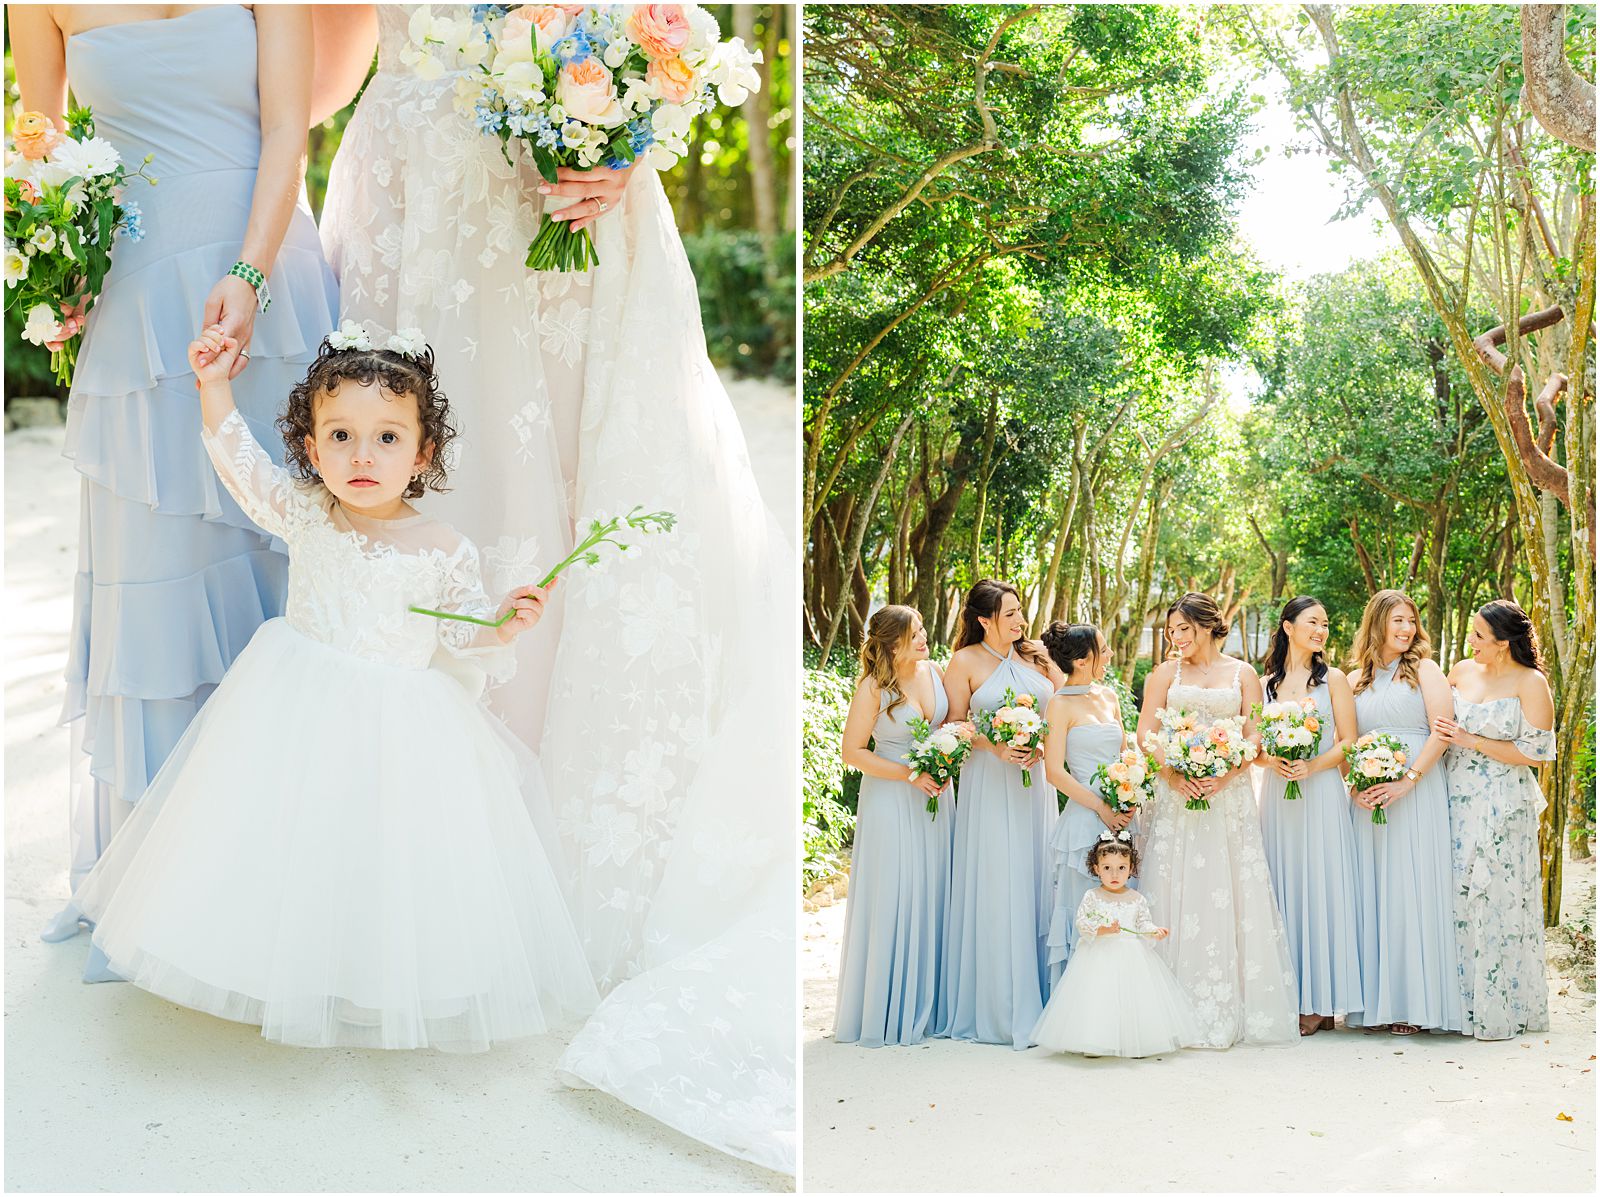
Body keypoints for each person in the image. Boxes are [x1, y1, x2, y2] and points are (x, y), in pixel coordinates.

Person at [311, 8, 794, 1168]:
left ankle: (552, 852)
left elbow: (660, 34)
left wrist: (629, 135)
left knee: (574, 485)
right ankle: (431, 856)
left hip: (575, 194)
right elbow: (321, 64)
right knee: (424, 476)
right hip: (416, 189)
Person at [72, 325, 597, 1050]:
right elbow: (242, 466)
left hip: (403, 723)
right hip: (297, 705)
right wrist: (212, 384)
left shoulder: (445, 548)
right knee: (291, 841)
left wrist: (503, 625)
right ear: (313, 450)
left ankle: (368, 976)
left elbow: (458, 634)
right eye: (341, 435)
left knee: (381, 852)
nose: (362, 455)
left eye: (387, 438)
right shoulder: (307, 512)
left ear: (422, 454)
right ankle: (286, 967)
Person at [12, 4, 339, 979]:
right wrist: (48, 260)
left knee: (282, 554)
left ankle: (291, 871)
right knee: (153, 568)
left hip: (268, 272)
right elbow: (38, 140)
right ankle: (149, 878)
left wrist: (249, 269)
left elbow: (288, 126)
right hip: (136, 289)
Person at [1136, 592, 1298, 1048]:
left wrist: (1226, 775)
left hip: (1228, 798)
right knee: (1174, 887)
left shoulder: (1243, 673)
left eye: (1182, 629)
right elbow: (1146, 730)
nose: (1176, 638)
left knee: (1228, 891)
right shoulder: (1164, 675)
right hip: (1176, 795)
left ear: (1206, 626)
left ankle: (1229, 1008)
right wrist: (1171, 772)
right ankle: (1168, 1008)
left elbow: (1255, 734)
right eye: (1170, 632)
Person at [939, 579, 1059, 1048]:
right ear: (984, 619)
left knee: (1033, 874)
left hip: (1034, 785)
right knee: (996, 878)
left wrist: (1041, 742)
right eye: (1009, 613)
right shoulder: (965, 661)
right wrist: (996, 743)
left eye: (1019, 611)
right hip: (989, 783)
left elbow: (1065, 706)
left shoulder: (1035, 657)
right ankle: (996, 1002)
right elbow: (954, 723)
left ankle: (1041, 996)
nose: (1019, 620)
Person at [834, 607, 957, 1047]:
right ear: (891, 643)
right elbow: (853, 751)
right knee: (897, 893)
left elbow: (952, 728)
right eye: (914, 633)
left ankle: (931, 1003)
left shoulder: (936, 670)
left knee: (932, 891)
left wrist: (948, 755)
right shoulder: (874, 688)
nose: (924, 638)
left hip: (937, 799)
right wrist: (910, 774)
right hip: (892, 798)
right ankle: (888, 1009)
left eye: (923, 629)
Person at [1434, 599, 1556, 1040]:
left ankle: (1499, 1006)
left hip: (1504, 801)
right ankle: (1453, 1006)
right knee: (1457, 896)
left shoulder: (1531, 682)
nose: (1471, 642)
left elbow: (1535, 754)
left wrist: (1469, 738)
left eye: (1479, 636)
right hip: (1453, 796)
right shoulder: (1461, 671)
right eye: (1471, 633)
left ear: (1504, 643)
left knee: (1497, 897)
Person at [1345, 589, 1462, 1036]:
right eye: (1397, 620)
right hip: (1369, 795)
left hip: (1416, 789)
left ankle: (1413, 1004)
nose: (1406, 629)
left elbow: (1443, 731)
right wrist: (1355, 784)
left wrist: (1406, 780)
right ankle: (1375, 1004)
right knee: (1373, 890)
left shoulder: (1426, 671)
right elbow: (1349, 739)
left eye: (1411, 621)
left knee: (1410, 887)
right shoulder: (1356, 678)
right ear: (1376, 623)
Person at [1254, 596, 1363, 1036]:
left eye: (1326, 623)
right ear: (1288, 627)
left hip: (1319, 793)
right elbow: (1255, 749)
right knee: (1284, 888)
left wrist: (1311, 766)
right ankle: (1289, 993)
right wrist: (1272, 763)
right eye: (1313, 622)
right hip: (1279, 797)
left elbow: (1349, 741)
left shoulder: (1333, 679)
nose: (1321, 630)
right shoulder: (1265, 685)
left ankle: (1320, 1002)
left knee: (1320, 887)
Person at [1029, 833, 1200, 1058]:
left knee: (1134, 998)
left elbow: (1143, 923)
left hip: (1132, 956)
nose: (1114, 874)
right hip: (1098, 955)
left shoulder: (1136, 898)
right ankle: (1094, 1042)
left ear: (1131, 869)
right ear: (1096, 868)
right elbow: (1083, 923)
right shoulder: (1092, 896)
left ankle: (1140, 1041)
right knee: (1098, 997)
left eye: (1121, 868)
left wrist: (1154, 931)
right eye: (1107, 868)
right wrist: (1103, 929)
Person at [1038, 622, 1134, 984]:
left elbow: (1126, 755)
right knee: (1090, 915)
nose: (1109, 655)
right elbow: (1054, 771)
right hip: (1084, 820)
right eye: (1103, 649)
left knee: (1124, 912)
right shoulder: (1058, 705)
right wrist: (1100, 808)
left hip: (1123, 816)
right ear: (1080, 660)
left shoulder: (1109, 696)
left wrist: (1132, 798)